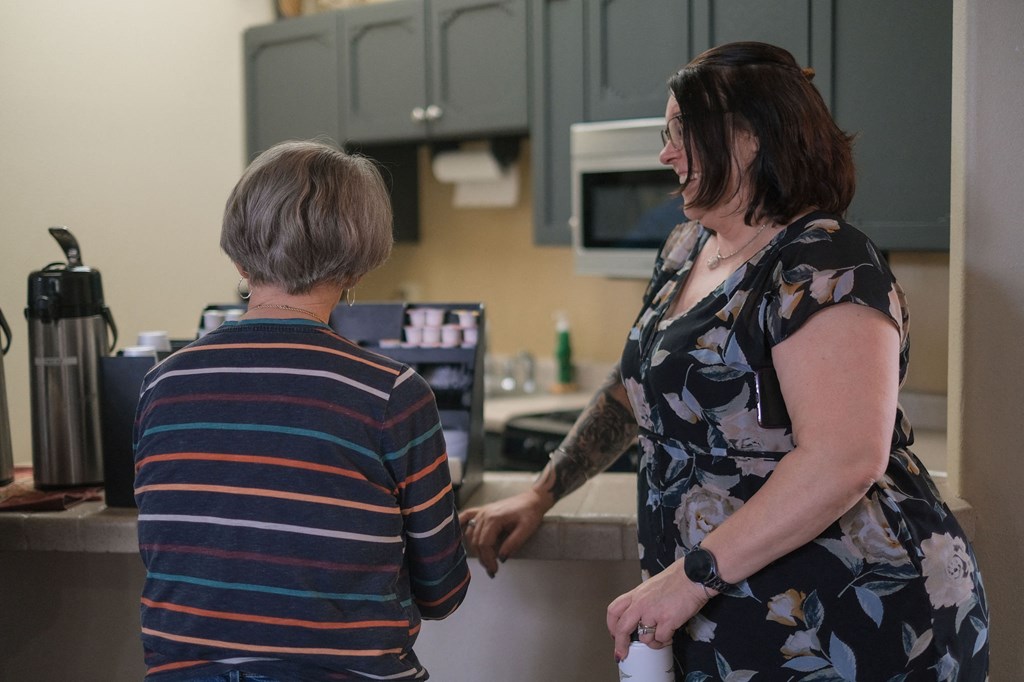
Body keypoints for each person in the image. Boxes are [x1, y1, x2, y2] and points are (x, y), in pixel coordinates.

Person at [460, 42, 988, 679]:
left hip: (848, 613)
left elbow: (844, 458)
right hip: (720, 609)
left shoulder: (824, 260)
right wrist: (541, 494)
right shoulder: (688, 246)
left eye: (684, 132)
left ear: (750, 140)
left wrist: (690, 578)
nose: (665, 152)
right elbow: (636, 388)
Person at [133, 140, 470, 681]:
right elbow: (443, 592)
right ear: (357, 266)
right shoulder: (391, 393)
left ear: (238, 255)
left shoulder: (161, 384)